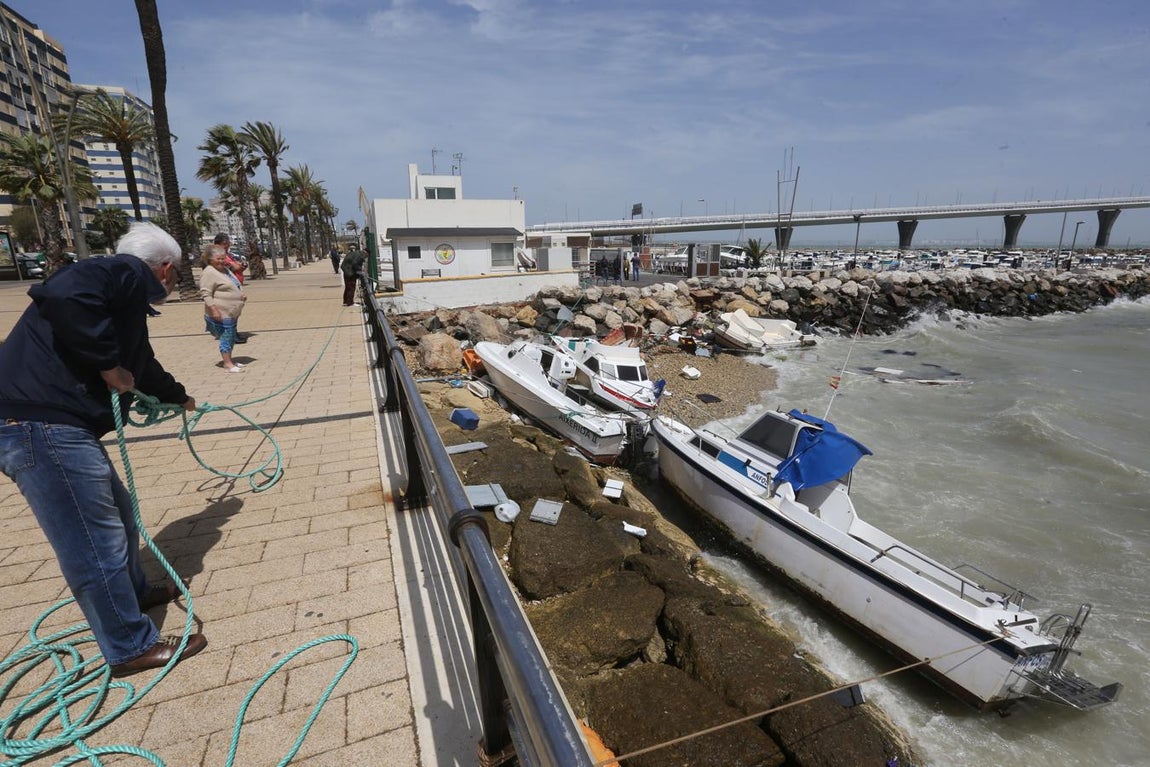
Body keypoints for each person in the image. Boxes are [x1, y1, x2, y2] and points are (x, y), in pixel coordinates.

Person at [0, 222, 207, 677]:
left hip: (54, 422)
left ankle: (132, 593)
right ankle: (129, 645)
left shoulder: (124, 297)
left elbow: (143, 364)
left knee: (117, 510)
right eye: (174, 278)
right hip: (40, 423)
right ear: (166, 270)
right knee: (95, 540)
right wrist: (107, 365)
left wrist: (178, 396)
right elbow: (62, 294)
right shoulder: (128, 273)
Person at [199, 245, 248, 372]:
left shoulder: (225, 270)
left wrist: (240, 294)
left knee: (231, 336)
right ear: (210, 259)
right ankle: (227, 363)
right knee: (226, 336)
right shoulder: (209, 272)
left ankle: (230, 359)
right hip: (222, 312)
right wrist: (214, 310)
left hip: (232, 312)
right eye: (218, 259)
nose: (221, 261)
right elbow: (206, 293)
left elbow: (234, 284)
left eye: (223, 258)